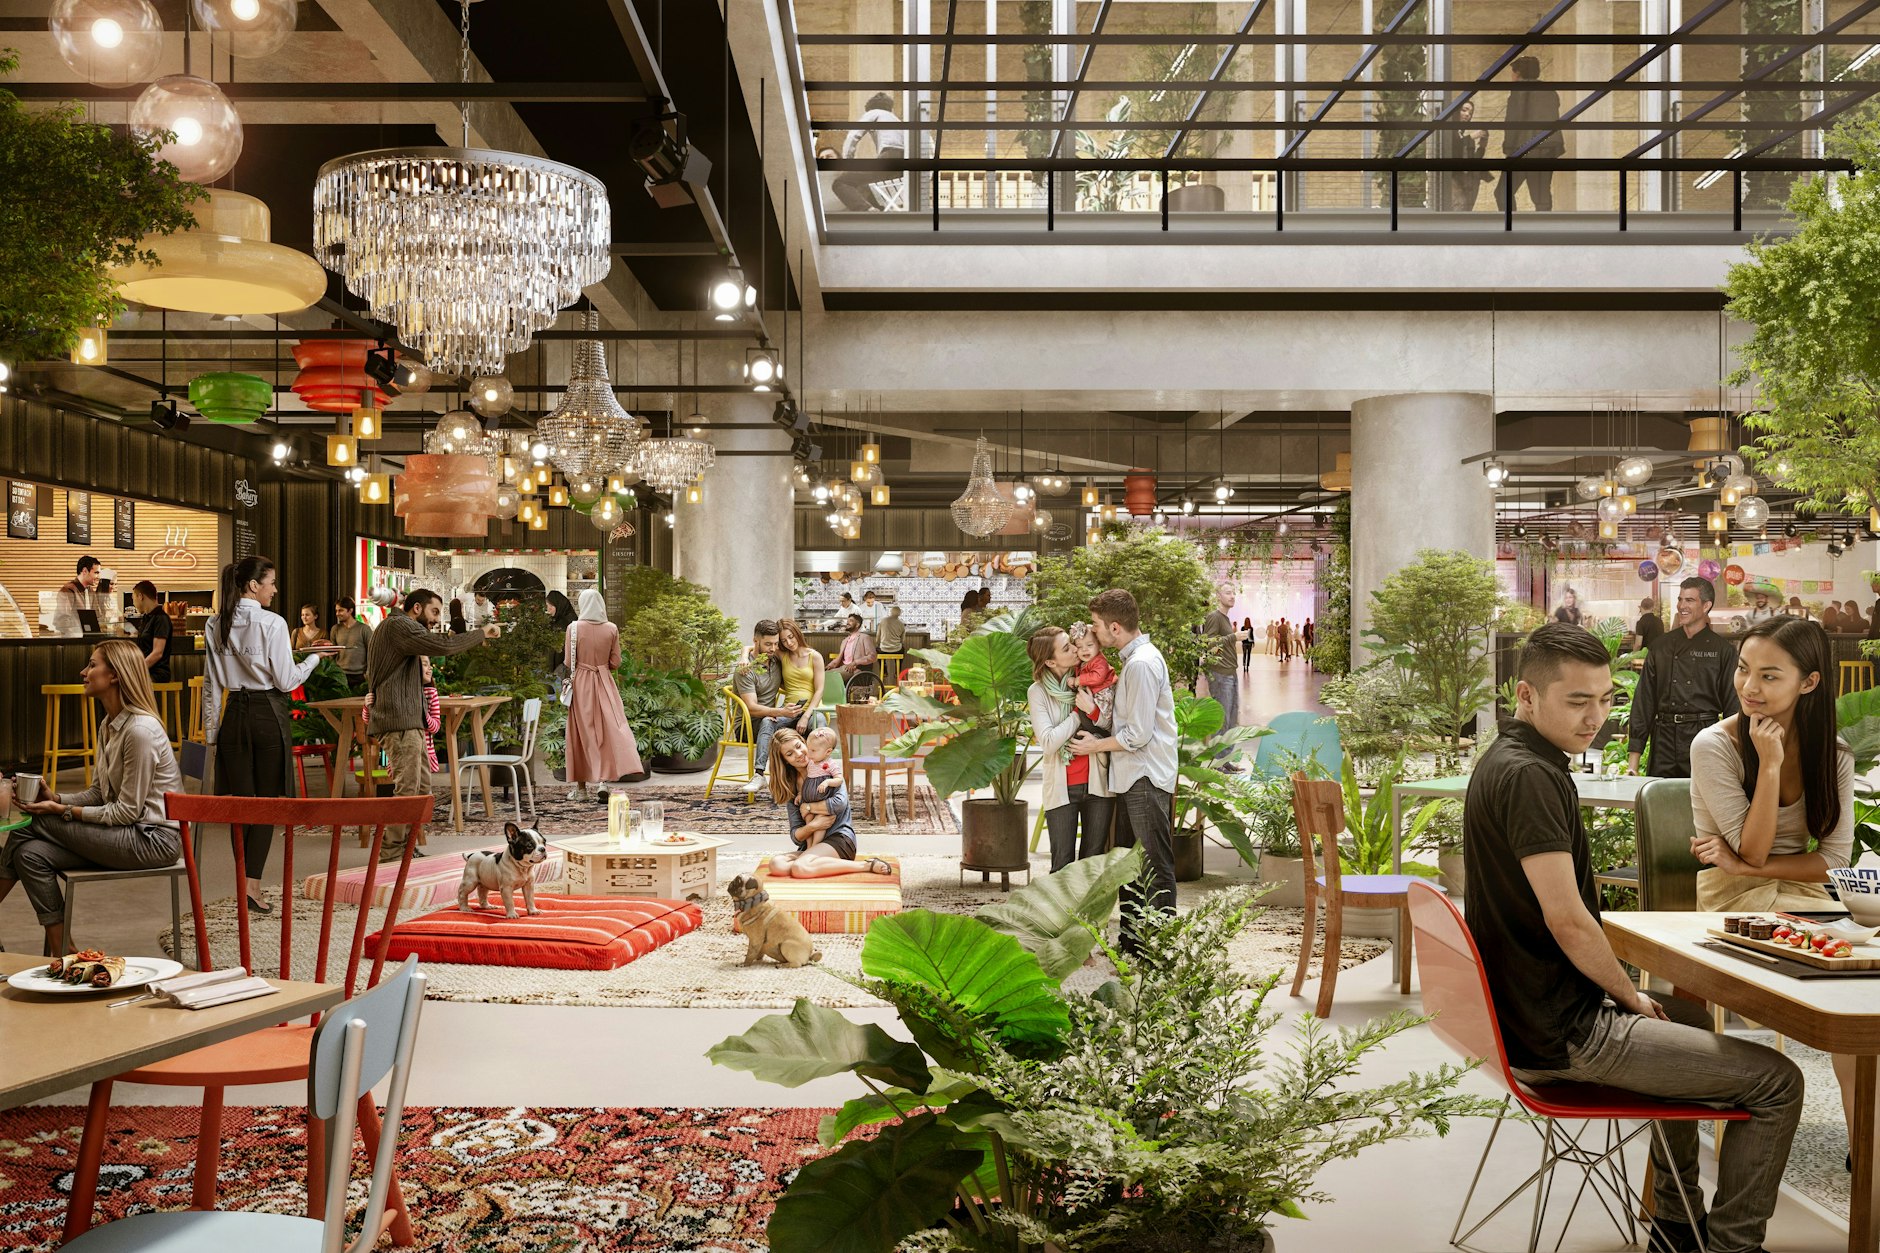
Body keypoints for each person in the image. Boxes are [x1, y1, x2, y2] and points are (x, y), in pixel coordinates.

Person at [1466, 621, 1800, 1253]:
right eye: (1577, 701)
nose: (1596, 717)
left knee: (1689, 1019)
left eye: (1604, 699)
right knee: (1779, 1081)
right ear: (1526, 696)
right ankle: (1733, 1246)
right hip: (1563, 1033)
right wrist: (1626, 995)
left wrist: (1634, 999)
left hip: (1528, 1017)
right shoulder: (1533, 778)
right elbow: (1568, 921)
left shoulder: (1509, 760)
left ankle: (1676, 1222)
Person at [0, 640, 183, 956]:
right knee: (30, 853)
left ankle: (62, 949)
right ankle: (64, 946)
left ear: (114, 675)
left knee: (31, 824)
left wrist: (62, 810)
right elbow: (100, 793)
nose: (84, 672)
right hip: (128, 833)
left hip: (153, 840)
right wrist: (56, 796)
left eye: (92, 665)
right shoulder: (110, 724)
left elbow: (126, 811)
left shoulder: (139, 731)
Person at [203, 555, 324, 913]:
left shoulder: (215, 623)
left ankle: (244, 885)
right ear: (253, 585)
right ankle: (252, 887)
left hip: (233, 717)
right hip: (268, 714)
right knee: (268, 804)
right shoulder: (272, 622)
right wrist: (314, 659)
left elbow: (212, 685)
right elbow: (286, 681)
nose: (274, 589)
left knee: (242, 805)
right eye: (270, 582)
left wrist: (212, 734)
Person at [1071, 589, 1178, 953]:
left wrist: (1093, 746)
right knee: (1128, 864)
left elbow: (1137, 734)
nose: (1093, 633)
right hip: (1133, 774)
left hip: (1145, 774)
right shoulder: (1132, 662)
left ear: (1115, 627)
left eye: (1098, 626)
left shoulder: (1142, 664)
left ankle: (1159, 949)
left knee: (1153, 863)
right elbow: (1124, 722)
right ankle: (1132, 942)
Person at [366, 589, 500, 862]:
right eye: (434, 612)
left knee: (421, 788)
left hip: (408, 719)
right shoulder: (398, 625)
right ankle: (392, 853)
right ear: (417, 608)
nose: (436, 620)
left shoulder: (396, 627)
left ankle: (407, 848)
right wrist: (481, 633)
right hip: (399, 720)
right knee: (408, 789)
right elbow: (443, 647)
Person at [1628, 576, 1739, 778]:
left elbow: (1733, 709)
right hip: (1663, 739)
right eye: (1680, 599)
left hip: (1704, 737)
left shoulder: (1722, 651)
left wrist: (1738, 760)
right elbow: (1644, 703)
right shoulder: (1660, 647)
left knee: (1701, 806)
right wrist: (1633, 763)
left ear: (1706, 606)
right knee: (1660, 803)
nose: (1681, 606)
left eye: (1689, 600)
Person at [1029, 626, 1114, 872]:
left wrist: (1093, 711)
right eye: (1067, 648)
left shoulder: (1090, 677)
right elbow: (1047, 742)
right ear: (1050, 661)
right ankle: (1062, 912)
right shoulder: (1038, 692)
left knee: (1093, 862)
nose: (1077, 649)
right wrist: (1079, 713)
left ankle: (1089, 912)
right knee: (1062, 864)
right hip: (1061, 786)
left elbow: (1110, 726)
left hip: (1097, 781)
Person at [764, 728, 893, 877]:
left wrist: (808, 807)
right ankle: (813, 861)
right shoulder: (792, 786)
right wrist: (814, 826)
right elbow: (796, 835)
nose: (798, 754)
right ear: (785, 761)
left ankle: (866, 865)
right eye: (789, 754)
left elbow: (839, 803)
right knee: (776, 865)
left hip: (838, 839)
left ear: (804, 742)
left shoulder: (827, 769)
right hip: (810, 845)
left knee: (800, 868)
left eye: (799, 746)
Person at [563, 588, 641, 803]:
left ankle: (580, 790)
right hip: (605, 683)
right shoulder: (612, 629)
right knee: (606, 731)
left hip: (581, 683)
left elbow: (569, 662)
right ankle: (603, 782)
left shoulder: (574, 628)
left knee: (580, 733)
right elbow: (616, 662)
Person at [737, 620, 809, 797]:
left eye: (776, 643)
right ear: (756, 641)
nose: (773, 648)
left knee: (811, 722)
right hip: (748, 725)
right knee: (769, 722)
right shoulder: (745, 670)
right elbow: (752, 708)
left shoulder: (775, 660)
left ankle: (813, 779)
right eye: (768, 644)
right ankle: (759, 775)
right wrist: (781, 711)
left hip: (772, 721)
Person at [1496, 55, 1562, 213]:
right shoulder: (1550, 91)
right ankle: (1542, 230)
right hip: (1546, 151)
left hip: (1522, 150)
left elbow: (1513, 122)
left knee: (1502, 192)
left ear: (1518, 73)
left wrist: (1508, 149)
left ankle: (1512, 226)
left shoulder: (1518, 92)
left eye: (1512, 73)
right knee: (1541, 198)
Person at [834, 92, 906, 212]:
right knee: (868, 188)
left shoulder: (873, 113)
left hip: (890, 156)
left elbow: (853, 136)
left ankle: (867, 211)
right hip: (904, 164)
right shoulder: (897, 120)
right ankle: (874, 212)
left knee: (841, 182)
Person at [791, 726, 844, 848]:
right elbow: (806, 781)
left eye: (813, 751)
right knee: (809, 823)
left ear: (828, 752)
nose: (808, 754)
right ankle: (809, 847)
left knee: (820, 824)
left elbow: (839, 779)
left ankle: (815, 845)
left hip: (822, 802)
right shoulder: (811, 763)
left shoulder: (830, 764)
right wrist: (800, 794)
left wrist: (827, 783)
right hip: (808, 800)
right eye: (809, 750)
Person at [1200, 585, 1240, 735]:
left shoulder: (1224, 618)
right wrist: (1234, 637)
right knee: (1223, 720)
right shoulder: (1214, 617)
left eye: (1233, 593)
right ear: (1218, 596)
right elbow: (1208, 644)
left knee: (1231, 718)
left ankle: (1225, 756)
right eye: (1228, 593)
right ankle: (1219, 757)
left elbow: (1215, 648)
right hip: (1221, 676)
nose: (1232, 596)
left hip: (1229, 673)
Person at [776, 619, 827, 730]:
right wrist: (744, 656)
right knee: (767, 723)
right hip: (788, 712)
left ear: (797, 633)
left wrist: (805, 716)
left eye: (791, 637)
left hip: (811, 712)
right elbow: (757, 646)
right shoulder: (782, 654)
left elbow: (820, 690)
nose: (789, 643)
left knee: (820, 724)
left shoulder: (815, 657)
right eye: (784, 641)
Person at [1446, 96, 1489, 210]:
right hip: (1453, 179)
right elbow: (1452, 147)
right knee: (1459, 206)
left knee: (1465, 208)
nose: (1467, 115)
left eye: (1470, 113)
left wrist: (1482, 146)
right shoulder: (1448, 131)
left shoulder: (1464, 136)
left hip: (1467, 182)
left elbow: (1475, 161)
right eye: (1464, 110)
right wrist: (1472, 137)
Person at [129, 580, 172, 682]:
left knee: (124, 684)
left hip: (157, 673)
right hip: (146, 671)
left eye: (133, 599)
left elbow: (158, 653)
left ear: (140, 596)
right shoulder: (146, 618)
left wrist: (137, 670)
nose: (134, 603)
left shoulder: (161, 618)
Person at [51, 555, 101, 637]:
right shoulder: (68, 590)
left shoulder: (90, 591)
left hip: (89, 640)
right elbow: (61, 621)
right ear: (84, 571)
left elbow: (97, 616)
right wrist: (77, 635)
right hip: (74, 642)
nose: (98, 577)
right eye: (96, 573)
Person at [330, 596, 373, 692]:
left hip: (360, 676)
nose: (337, 614)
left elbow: (371, 652)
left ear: (350, 611)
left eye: (340, 610)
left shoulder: (364, 629)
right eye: (336, 611)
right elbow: (332, 654)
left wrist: (368, 673)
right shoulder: (335, 629)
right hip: (340, 675)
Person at [834, 612, 878, 686]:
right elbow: (839, 658)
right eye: (847, 621)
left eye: (851, 621)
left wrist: (855, 662)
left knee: (831, 677)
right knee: (824, 675)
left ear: (857, 625)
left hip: (856, 669)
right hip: (843, 667)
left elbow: (872, 656)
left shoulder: (864, 637)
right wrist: (829, 666)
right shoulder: (845, 640)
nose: (847, 623)